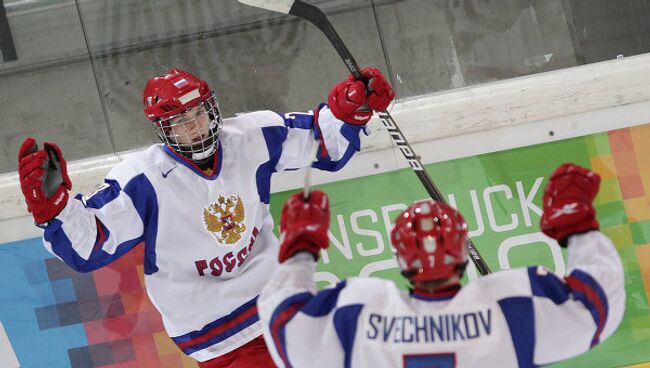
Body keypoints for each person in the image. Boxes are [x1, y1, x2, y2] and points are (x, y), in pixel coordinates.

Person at [16, 67, 395, 367]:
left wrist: (351, 106)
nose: (195, 126)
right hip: (218, 329)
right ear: (164, 130)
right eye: (182, 121)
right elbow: (89, 246)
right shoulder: (144, 180)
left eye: (198, 113)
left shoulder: (250, 136)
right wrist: (55, 209)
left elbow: (322, 142)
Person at [258, 163, 625, 367]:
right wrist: (577, 227)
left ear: (400, 257)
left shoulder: (358, 315)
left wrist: (301, 249)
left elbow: (282, 324)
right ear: (463, 251)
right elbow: (598, 307)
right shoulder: (510, 311)